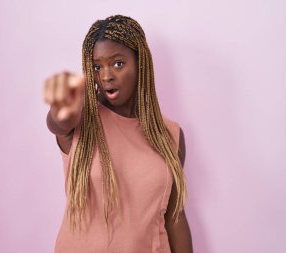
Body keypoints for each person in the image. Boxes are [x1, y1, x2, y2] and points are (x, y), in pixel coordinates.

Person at [43, 15, 193, 253]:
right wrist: (63, 108)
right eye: (97, 66)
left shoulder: (170, 135)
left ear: (140, 63)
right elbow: (57, 123)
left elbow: (174, 217)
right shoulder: (81, 122)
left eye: (118, 63)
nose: (106, 76)